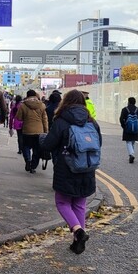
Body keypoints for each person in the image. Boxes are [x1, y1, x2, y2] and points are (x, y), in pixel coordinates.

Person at [38, 89, 102, 255]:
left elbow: (49, 145)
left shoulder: (61, 120)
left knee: (62, 202)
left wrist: (43, 138)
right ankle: (77, 241)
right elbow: (98, 143)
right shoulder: (92, 121)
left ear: (65, 102)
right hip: (87, 167)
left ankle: (78, 231)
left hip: (66, 168)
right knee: (80, 204)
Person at [17, 89, 48, 173]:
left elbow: (19, 117)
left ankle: (28, 160)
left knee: (26, 147)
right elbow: (45, 119)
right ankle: (33, 166)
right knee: (37, 149)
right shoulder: (42, 105)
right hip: (39, 131)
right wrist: (46, 130)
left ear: (27, 96)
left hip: (27, 130)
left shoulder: (23, 105)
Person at [120, 96, 138, 163]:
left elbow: (121, 119)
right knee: (133, 141)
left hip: (127, 129)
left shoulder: (125, 109)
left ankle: (131, 154)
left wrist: (124, 126)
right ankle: (131, 154)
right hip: (135, 129)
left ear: (128, 102)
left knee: (128, 142)